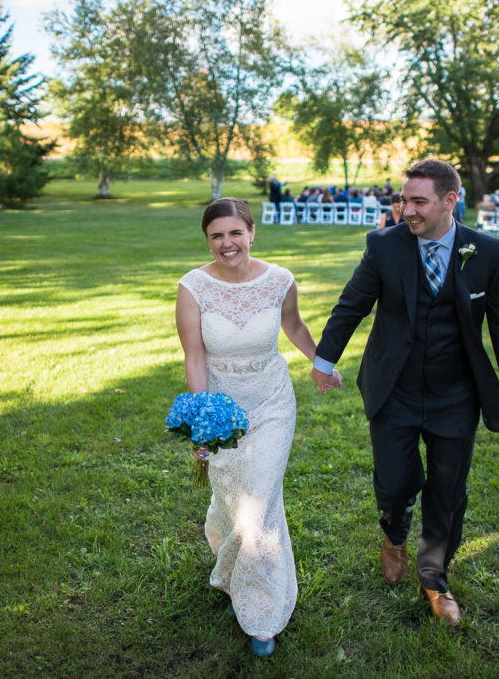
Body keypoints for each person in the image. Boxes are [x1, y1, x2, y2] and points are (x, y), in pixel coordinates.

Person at [310, 159, 499, 627]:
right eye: (403, 200)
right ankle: (394, 534)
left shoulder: (486, 252)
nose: (405, 210)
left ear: (450, 201)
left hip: (457, 394)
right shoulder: (385, 245)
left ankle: (435, 579)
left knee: (448, 490)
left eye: (418, 202)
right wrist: (324, 361)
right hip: (395, 389)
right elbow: (353, 304)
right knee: (394, 483)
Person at [175, 198, 341, 657]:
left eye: (235, 233)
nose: (227, 243)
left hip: (271, 403)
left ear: (252, 232)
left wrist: (321, 362)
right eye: (216, 235)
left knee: (258, 510)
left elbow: (294, 325)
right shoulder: (192, 287)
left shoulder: (280, 280)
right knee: (232, 502)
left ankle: (262, 614)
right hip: (222, 407)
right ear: (207, 240)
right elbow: (194, 356)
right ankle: (233, 578)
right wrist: (201, 419)